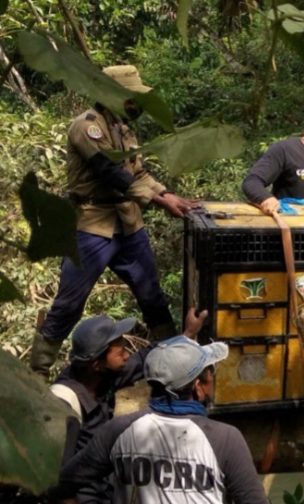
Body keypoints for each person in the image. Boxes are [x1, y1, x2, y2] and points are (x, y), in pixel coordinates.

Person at [29, 65, 200, 378]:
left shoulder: (125, 130)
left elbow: (138, 173)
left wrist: (167, 194)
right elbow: (111, 173)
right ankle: (38, 375)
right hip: (92, 226)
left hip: (128, 224)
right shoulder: (86, 127)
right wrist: (160, 201)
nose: (137, 105)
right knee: (69, 304)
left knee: (152, 297)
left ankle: (178, 366)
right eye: (131, 98)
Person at [52, 336, 269, 504]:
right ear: (198, 387)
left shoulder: (118, 431)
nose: (212, 378)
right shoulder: (226, 439)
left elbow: (61, 485)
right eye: (210, 372)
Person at [48, 310, 206, 503]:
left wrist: (187, 334)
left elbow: (142, 359)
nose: (127, 355)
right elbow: (58, 481)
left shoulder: (102, 376)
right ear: (96, 364)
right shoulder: (64, 402)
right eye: (121, 352)